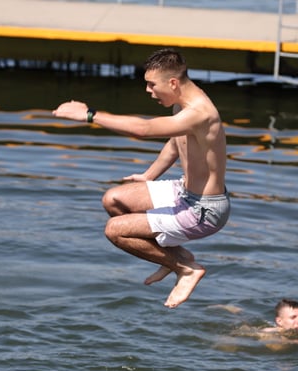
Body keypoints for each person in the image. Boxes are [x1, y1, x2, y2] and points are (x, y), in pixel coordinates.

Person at [52, 48, 230, 308]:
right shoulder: (183, 103)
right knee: (113, 200)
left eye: (151, 84)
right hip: (184, 191)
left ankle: (185, 268)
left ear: (172, 83)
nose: (148, 90)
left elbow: (143, 129)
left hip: (204, 210)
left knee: (115, 230)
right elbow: (175, 142)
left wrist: (89, 115)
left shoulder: (200, 113)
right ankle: (172, 257)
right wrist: (149, 176)